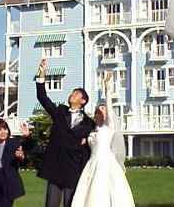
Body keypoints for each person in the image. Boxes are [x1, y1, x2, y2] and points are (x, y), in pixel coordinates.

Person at [35, 59, 95, 207]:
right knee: (51, 204)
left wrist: (86, 142)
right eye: (72, 93)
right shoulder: (60, 112)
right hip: (55, 167)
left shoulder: (89, 123)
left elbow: (92, 145)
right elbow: (42, 98)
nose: (72, 95)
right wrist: (42, 73)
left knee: (72, 203)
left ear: (83, 100)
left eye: (76, 94)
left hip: (73, 171)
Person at [71, 72, 135, 207]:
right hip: (92, 163)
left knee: (105, 192)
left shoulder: (109, 127)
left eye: (103, 109)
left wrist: (107, 88)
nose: (101, 111)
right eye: (99, 109)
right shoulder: (91, 131)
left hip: (106, 163)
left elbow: (110, 108)